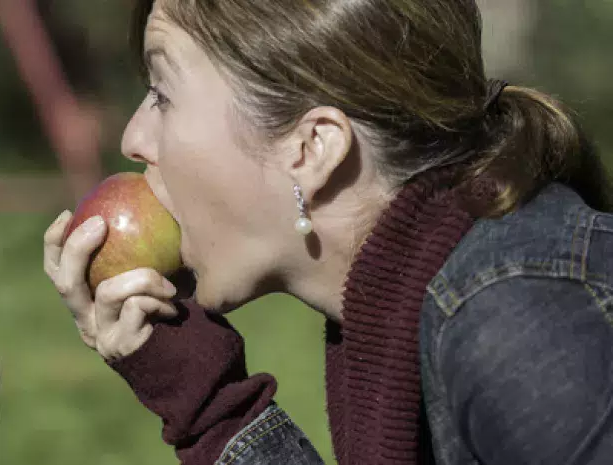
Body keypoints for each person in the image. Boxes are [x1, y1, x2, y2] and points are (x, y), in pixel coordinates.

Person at [43, 1, 613, 464]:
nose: (132, 137)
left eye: (163, 95)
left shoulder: (520, 323)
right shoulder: (405, 305)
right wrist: (203, 398)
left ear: (313, 148)